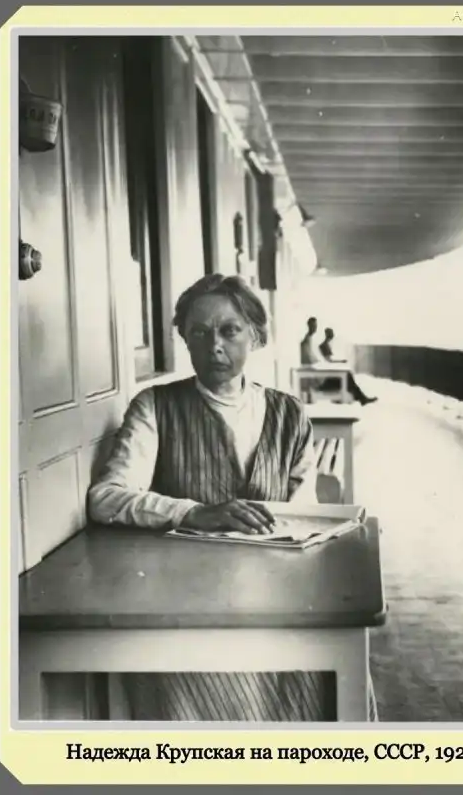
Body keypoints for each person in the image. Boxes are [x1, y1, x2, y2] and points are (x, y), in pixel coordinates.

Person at [88, 274, 377, 721]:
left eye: (229, 331)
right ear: (184, 338)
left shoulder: (288, 413)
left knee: (326, 670)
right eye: (199, 332)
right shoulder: (155, 406)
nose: (215, 346)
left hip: (274, 592)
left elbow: (304, 516)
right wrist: (194, 513)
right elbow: (106, 497)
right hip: (182, 598)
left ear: (255, 337)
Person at [300, 319, 377, 406]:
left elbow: (315, 359)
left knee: (347, 376)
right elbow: (310, 360)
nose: (315, 328)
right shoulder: (307, 341)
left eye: (315, 326)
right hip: (320, 382)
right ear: (309, 326)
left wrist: (323, 363)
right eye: (313, 326)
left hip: (319, 377)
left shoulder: (310, 341)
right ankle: (361, 398)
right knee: (347, 376)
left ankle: (360, 398)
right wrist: (323, 364)